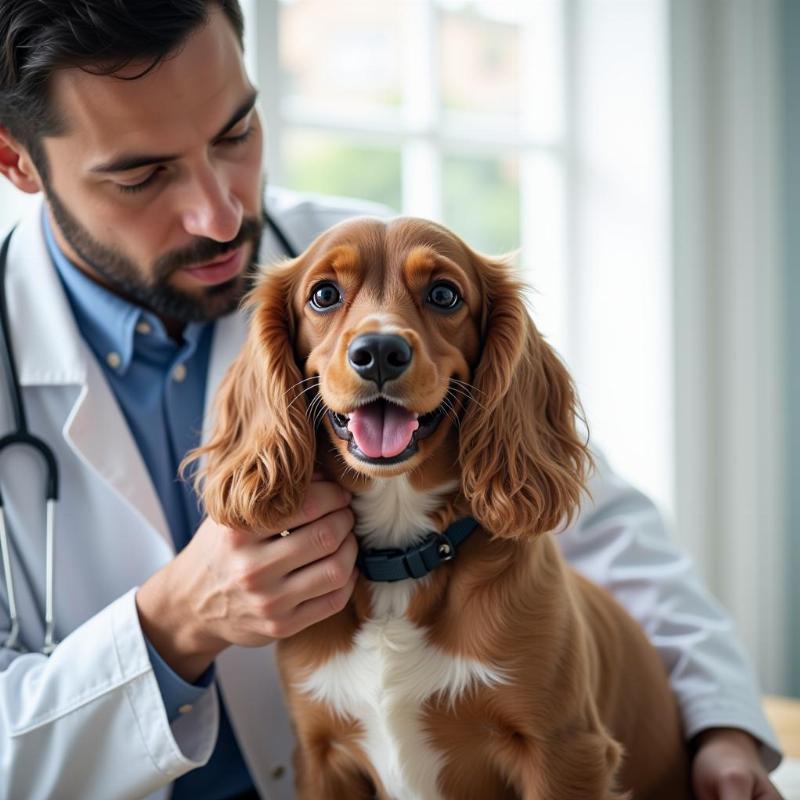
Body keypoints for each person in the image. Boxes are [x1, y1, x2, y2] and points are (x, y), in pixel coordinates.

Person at [0, 1, 785, 798]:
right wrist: (169, 628)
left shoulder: (372, 255)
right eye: (141, 173)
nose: (221, 211)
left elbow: (601, 527)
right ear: (18, 162)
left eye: (236, 134)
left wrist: (722, 723)